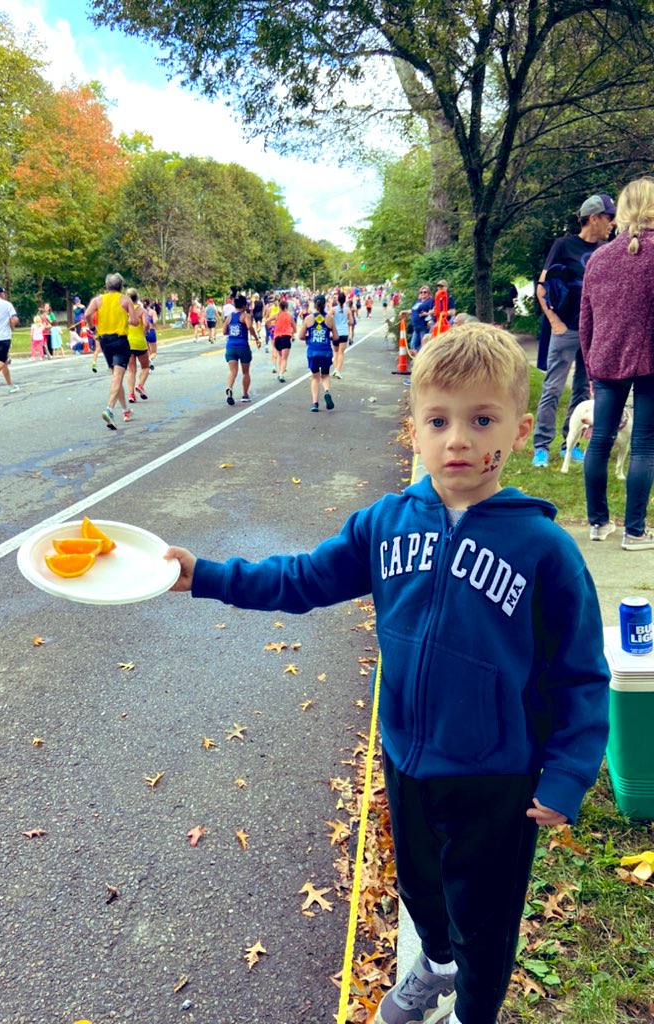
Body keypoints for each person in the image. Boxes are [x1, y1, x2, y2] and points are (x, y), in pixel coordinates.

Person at [163, 323, 609, 1024]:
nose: (458, 439)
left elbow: (580, 671)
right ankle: (431, 966)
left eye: (481, 419)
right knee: (422, 889)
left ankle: (475, 1012)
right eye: (439, 420)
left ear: (519, 430)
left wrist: (569, 771)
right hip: (406, 758)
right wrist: (209, 577)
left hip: (496, 776)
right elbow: (307, 578)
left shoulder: (543, 549)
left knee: (485, 918)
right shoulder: (386, 523)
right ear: (415, 430)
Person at [580, 177, 654, 549]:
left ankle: (598, 523)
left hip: (606, 359)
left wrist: (591, 362)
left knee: (600, 441)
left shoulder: (599, 257)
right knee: (644, 444)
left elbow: (586, 318)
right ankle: (635, 532)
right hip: (650, 360)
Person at [531, 193, 616, 467]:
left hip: (592, 332)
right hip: (565, 329)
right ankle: (541, 447)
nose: (613, 223)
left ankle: (571, 443)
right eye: (609, 217)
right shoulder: (563, 246)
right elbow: (542, 287)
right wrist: (554, 321)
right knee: (553, 388)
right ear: (593, 218)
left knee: (581, 390)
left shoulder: (606, 249)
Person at [84, 272, 140, 429]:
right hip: (120, 340)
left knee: (117, 375)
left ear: (107, 285)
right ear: (121, 286)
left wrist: (93, 328)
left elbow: (87, 314)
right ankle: (109, 409)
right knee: (117, 375)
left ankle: (125, 410)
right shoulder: (125, 299)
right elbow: (135, 321)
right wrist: (129, 319)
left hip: (105, 341)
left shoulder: (98, 300)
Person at [298, 294, 337, 411]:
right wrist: (327, 337)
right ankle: (326, 391)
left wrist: (310, 338)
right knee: (325, 375)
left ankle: (315, 403)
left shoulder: (308, 319)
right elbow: (336, 337)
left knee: (315, 377)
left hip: (313, 351)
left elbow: (300, 336)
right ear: (325, 304)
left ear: (314, 304)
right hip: (326, 351)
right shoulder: (330, 319)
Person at [223, 293, 259, 405]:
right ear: (244, 305)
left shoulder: (229, 317)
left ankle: (229, 388)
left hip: (230, 347)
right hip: (243, 346)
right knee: (245, 372)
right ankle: (245, 394)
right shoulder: (245, 316)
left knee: (233, 371)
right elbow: (249, 327)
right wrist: (256, 338)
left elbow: (224, 332)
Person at [126, 288, 150, 404]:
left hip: (128, 342)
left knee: (131, 370)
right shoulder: (141, 311)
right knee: (145, 366)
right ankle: (140, 385)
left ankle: (131, 394)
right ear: (137, 298)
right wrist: (145, 331)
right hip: (139, 341)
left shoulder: (124, 311)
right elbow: (146, 324)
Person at [400, 286, 434, 354]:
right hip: (416, 327)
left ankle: (422, 358)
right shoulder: (418, 301)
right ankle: (418, 356)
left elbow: (432, 312)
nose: (423, 294)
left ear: (429, 293)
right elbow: (413, 311)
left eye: (425, 292)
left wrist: (427, 316)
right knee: (413, 345)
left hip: (423, 326)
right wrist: (405, 311)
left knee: (423, 344)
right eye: (421, 292)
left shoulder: (430, 302)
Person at [331, 291, 353, 379]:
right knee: (341, 353)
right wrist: (345, 323)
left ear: (337, 300)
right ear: (344, 300)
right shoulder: (347, 310)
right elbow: (351, 322)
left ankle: (336, 369)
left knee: (336, 352)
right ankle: (338, 370)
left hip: (335, 333)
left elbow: (327, 319)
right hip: (344, 333)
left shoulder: (333, 309)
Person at [272, 299, 295, 382]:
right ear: (286, 307)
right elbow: (294, 328)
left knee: (280, 356)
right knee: (284, 358)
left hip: (277, 337)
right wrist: (292, 332)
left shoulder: (276, 315)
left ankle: (279, 372)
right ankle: (281, 374)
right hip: (286, 337)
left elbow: (267, 321)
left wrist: (271, 327)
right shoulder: (289, 316)